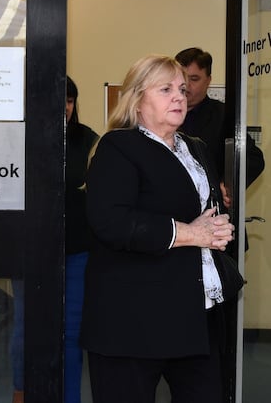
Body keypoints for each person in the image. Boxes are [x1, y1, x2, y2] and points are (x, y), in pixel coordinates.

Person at [81, 54, 236, 403]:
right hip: (133, 318)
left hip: (196, 314)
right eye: (165, 89)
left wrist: (218, 228)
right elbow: (111, 222)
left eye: (182, 89)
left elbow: (202, 211)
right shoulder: (117, 147)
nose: (179, 96)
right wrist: (192, 234)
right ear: (137, 99)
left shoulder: (195, 148)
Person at [11, 76, 98, 403]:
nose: (64, 106)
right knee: (25, 330)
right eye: (58, 98)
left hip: (76, 253)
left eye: (70, 100)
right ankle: (21, 394)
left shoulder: (88, 140)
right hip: (28, 252)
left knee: (71, 335)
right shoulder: (17, 137)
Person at [175, 47, 264, 189]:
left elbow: (254, 159)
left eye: (194, 79)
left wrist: (228, 183)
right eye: (181, 78)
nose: (186, 85)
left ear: (208, 80)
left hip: (209, 205)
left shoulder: (223, 115)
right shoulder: (160, 113)